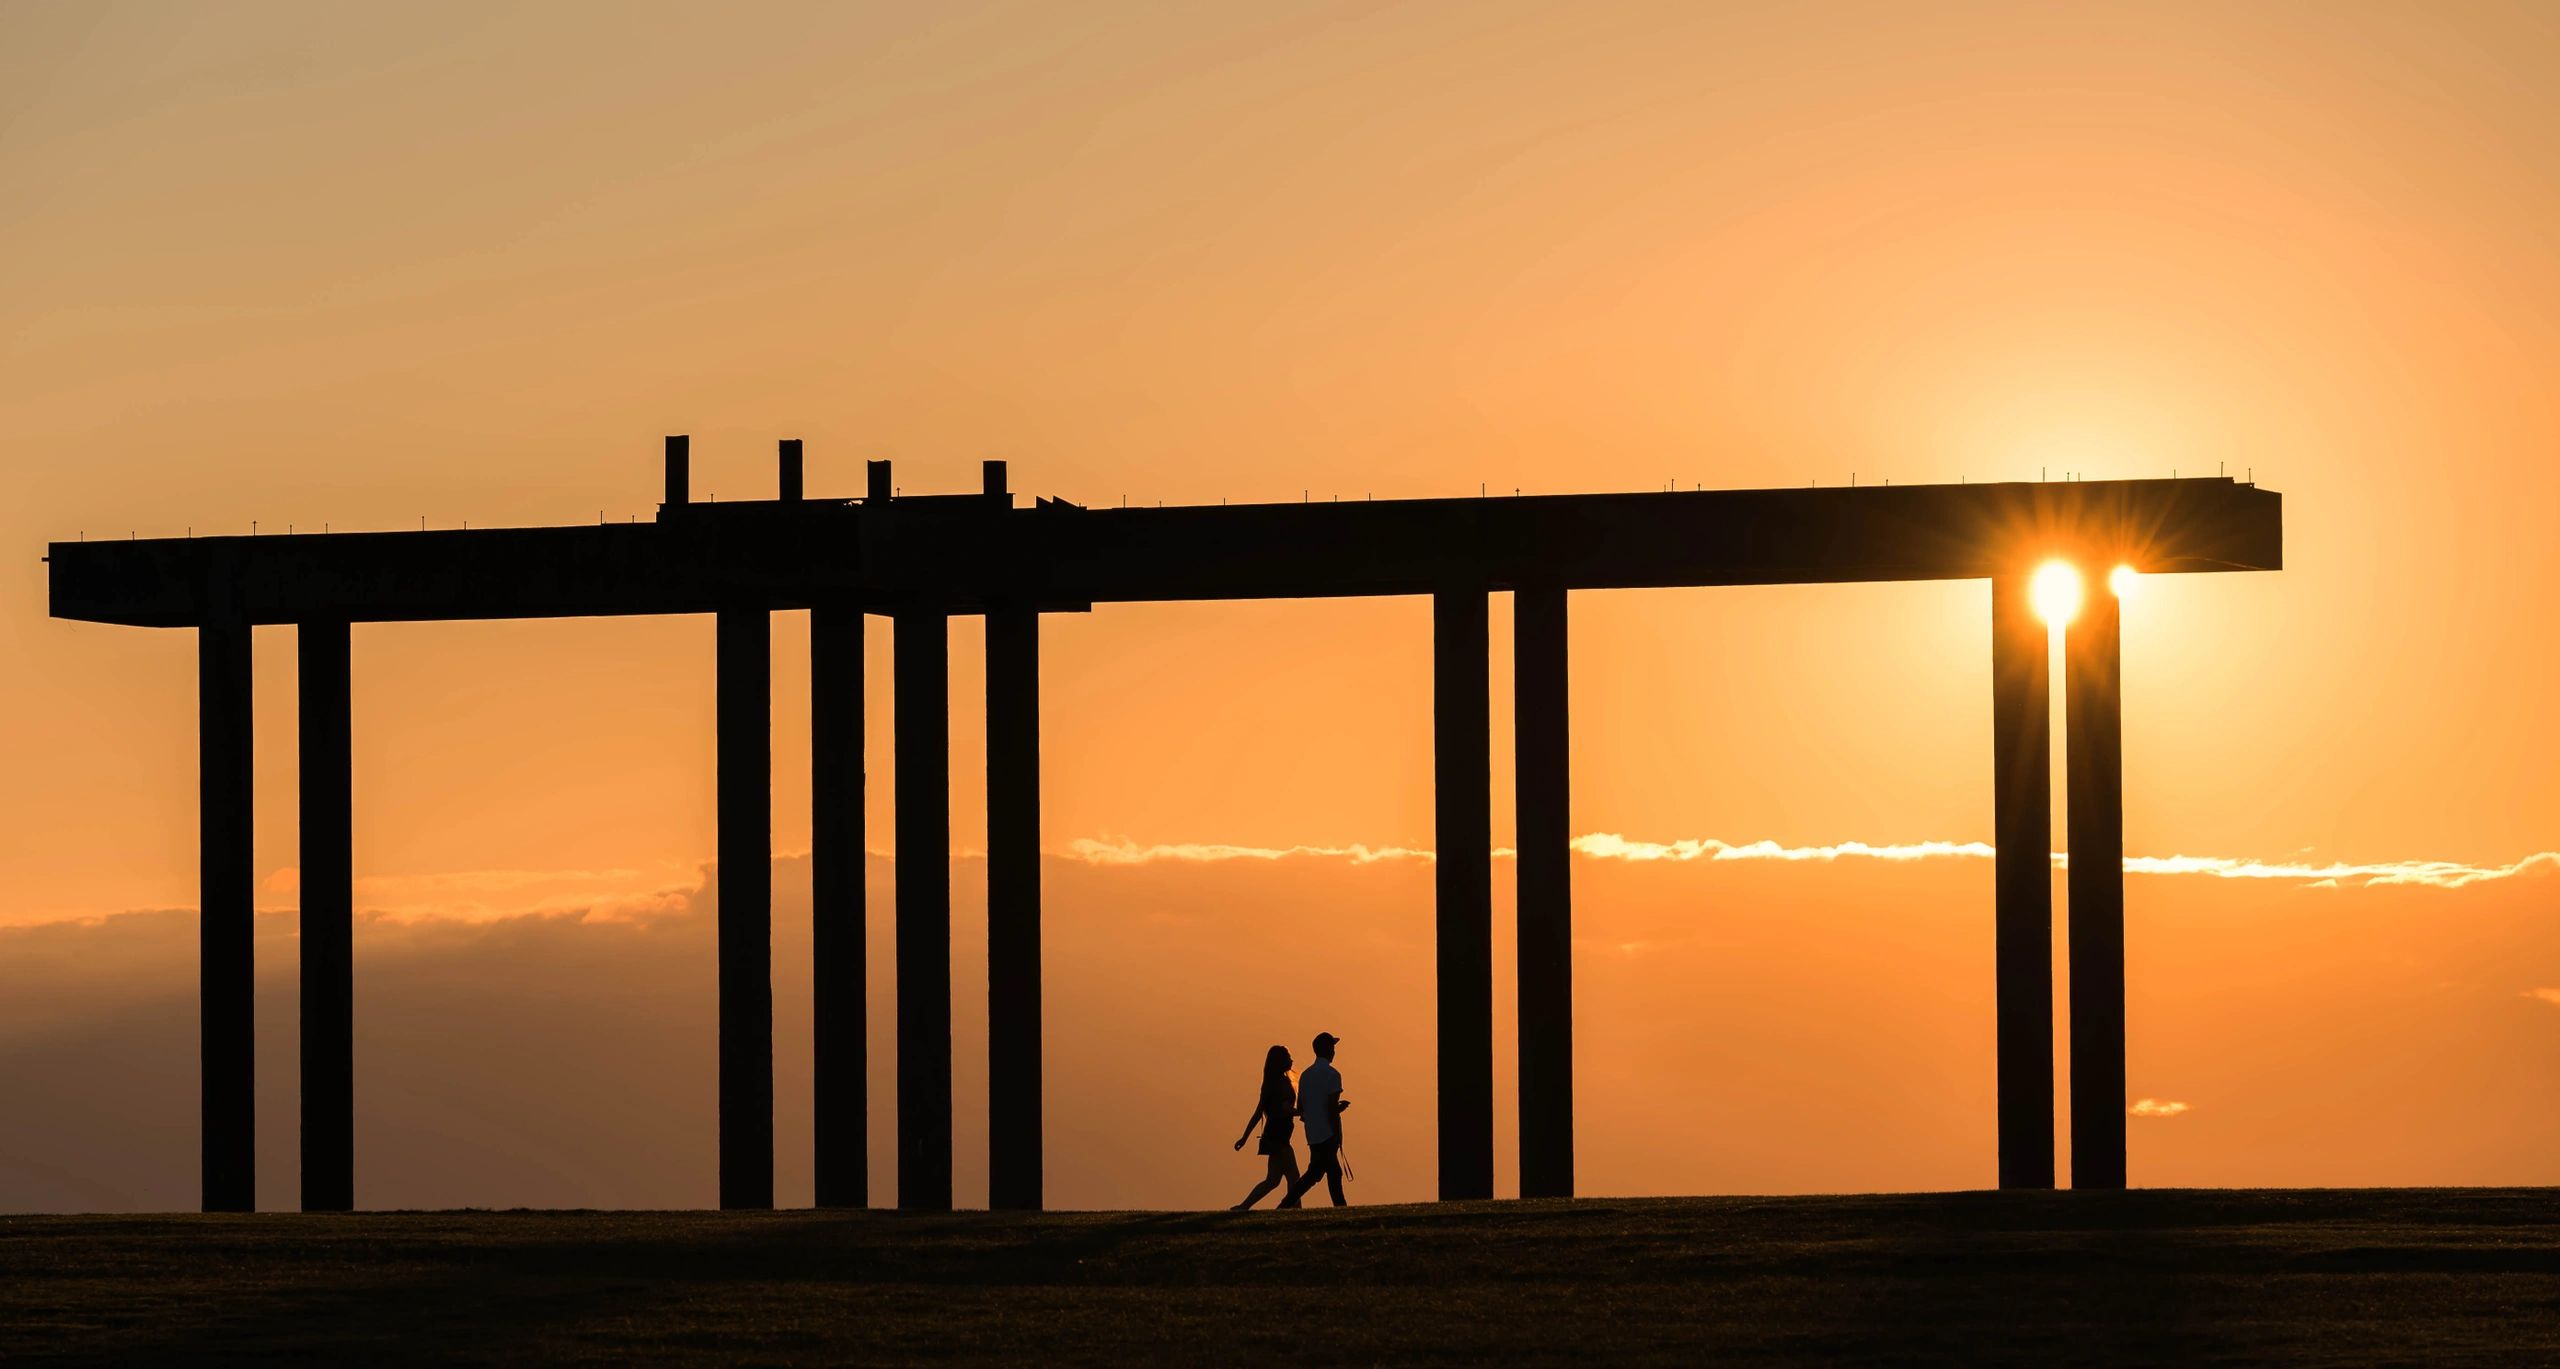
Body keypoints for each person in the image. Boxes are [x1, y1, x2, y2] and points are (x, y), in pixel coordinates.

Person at [1280, 1031, 1348, 1208]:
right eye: (1332, 1047)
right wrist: (1336, 1133)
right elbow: (1331, 1108)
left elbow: (1301, 1107)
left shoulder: (1306, 1075)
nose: (1334, 1051)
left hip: (1312, 1133)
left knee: (1319, 1172)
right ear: (1328, 1050)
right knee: (1328, 1173)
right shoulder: (1333, 1075)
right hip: (1328, 1133)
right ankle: (1340, 1208)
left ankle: (1286, 1204)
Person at [1229, 1044, 1301, 1210]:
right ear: (1281, 1061)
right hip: (1279, 1136)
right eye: (1288, 1057)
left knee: (1273, 1180)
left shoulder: (1270, 1083)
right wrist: (1302, 1113)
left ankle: (1243, 1207)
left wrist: (1244, 1137)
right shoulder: (1282, 1083)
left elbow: (1258, 1113)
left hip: (1272, 1134)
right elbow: (1284, 1109)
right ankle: (1292, 1209)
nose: (1292, 1060)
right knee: (1294, 1177)